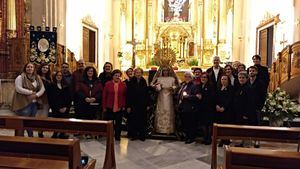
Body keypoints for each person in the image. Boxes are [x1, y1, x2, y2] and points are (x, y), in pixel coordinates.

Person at [11, 62, 45, 137]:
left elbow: (42, 88)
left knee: (30, 122)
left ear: (34, 69)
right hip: (23, 103)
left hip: (34, 103)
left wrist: (36, 95)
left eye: (31, 67)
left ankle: (30, 138)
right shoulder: (20, 77)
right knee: (22, 122)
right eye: (28, 67)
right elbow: (18, 88)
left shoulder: (37, 77)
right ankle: (20, 139)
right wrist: (30, 92)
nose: (30, 68)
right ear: (25, 68)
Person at [151, 67, 179, 134]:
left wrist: (172, 88)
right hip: (161, 96)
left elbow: (176, 86)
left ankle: (169, 129)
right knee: (160, 109)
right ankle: (160, 129)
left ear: (169, 71)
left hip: (169, 96)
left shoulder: (172, 79)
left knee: (168, 109)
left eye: (166, 71)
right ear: (162, 72)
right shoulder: (159, 78)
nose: (165, 72)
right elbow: (154, 86)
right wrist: (157, 87)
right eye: (164, 71)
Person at [102, 69, 127, 141]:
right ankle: (110, 136)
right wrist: (104, 107)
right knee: (110, 123)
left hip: (119, 107)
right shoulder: (108, 84)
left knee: (118, 123)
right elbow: (104, 96)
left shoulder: (123, 85)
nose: (117, 77)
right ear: (112, 76)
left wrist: (123, 106)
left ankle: (117, 137)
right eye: (115, 75)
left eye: (118, 76)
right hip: (109, 106)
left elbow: (125, 96)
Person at [178, 71, 201, 144]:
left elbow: (198, 97)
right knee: (186, 123)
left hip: (191, 107)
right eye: (185, 76)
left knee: (191, 124)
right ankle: (187, 136)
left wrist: (188, 96)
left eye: (188, 76)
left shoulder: (195, 85)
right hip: (184, 107)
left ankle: (191, 138)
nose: (187, 78)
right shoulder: (184, 85)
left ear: (192, 77)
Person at [126, 68, 149, 141]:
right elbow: (128, 94)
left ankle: (142, 135)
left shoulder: (144, 81)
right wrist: (128, 106)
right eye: (137, 73)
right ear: (134, 73)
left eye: (140, 73)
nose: (138, 74)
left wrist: (147, 104)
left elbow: (146, 94)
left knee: (142, 120)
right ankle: (134, 135)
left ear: (142, 74)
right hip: (133, 104)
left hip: (142, 104)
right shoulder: (131, 81)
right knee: (133, 120)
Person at [48, 71, 72, 138]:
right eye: (57, 75)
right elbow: (51, 98)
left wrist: (66, 107)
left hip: (65, 107)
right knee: (56, 122)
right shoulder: (51, 85)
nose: (59, 77)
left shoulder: (66, 85)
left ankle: (62, 133)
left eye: (60, 75)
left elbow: (69, 97)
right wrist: (58, 108)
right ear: (55, 77)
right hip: (56, 107)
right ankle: (55, 133)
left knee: (64, 121)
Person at [215, 74, 233, 146]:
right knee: (220, 125)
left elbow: (230, 99)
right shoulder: (218, 88)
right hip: (219, 109)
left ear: (228, 80)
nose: (223, 81)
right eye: (222, 79)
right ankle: (221, 139)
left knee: (226, 126)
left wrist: (224, 107)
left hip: (227, 110)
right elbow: (216, 98)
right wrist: (216, 105)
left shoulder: (231, 88)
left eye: (225, 79)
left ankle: (227, 139)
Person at [199, 72, 215, 145]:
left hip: (209, 108)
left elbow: (211, 98)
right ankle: (205, 137)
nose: (203, 78)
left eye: (205, 77)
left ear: (208, 79)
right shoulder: (200, 86)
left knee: (208, 124)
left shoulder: (211, 86)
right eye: (202, 77)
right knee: (203, 123)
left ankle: (209, 138)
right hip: (202, 108)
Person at [36, 63, 52, 138]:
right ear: (40, 68)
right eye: (44, 67)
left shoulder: (49, 78)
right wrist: (38, 99)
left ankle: (41, 131)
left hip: (47, 99)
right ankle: (39, 132)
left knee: (44, 116)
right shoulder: (37, 77)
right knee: (40, 117)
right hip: (40, 99)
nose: (45, 69)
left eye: (47, 68)